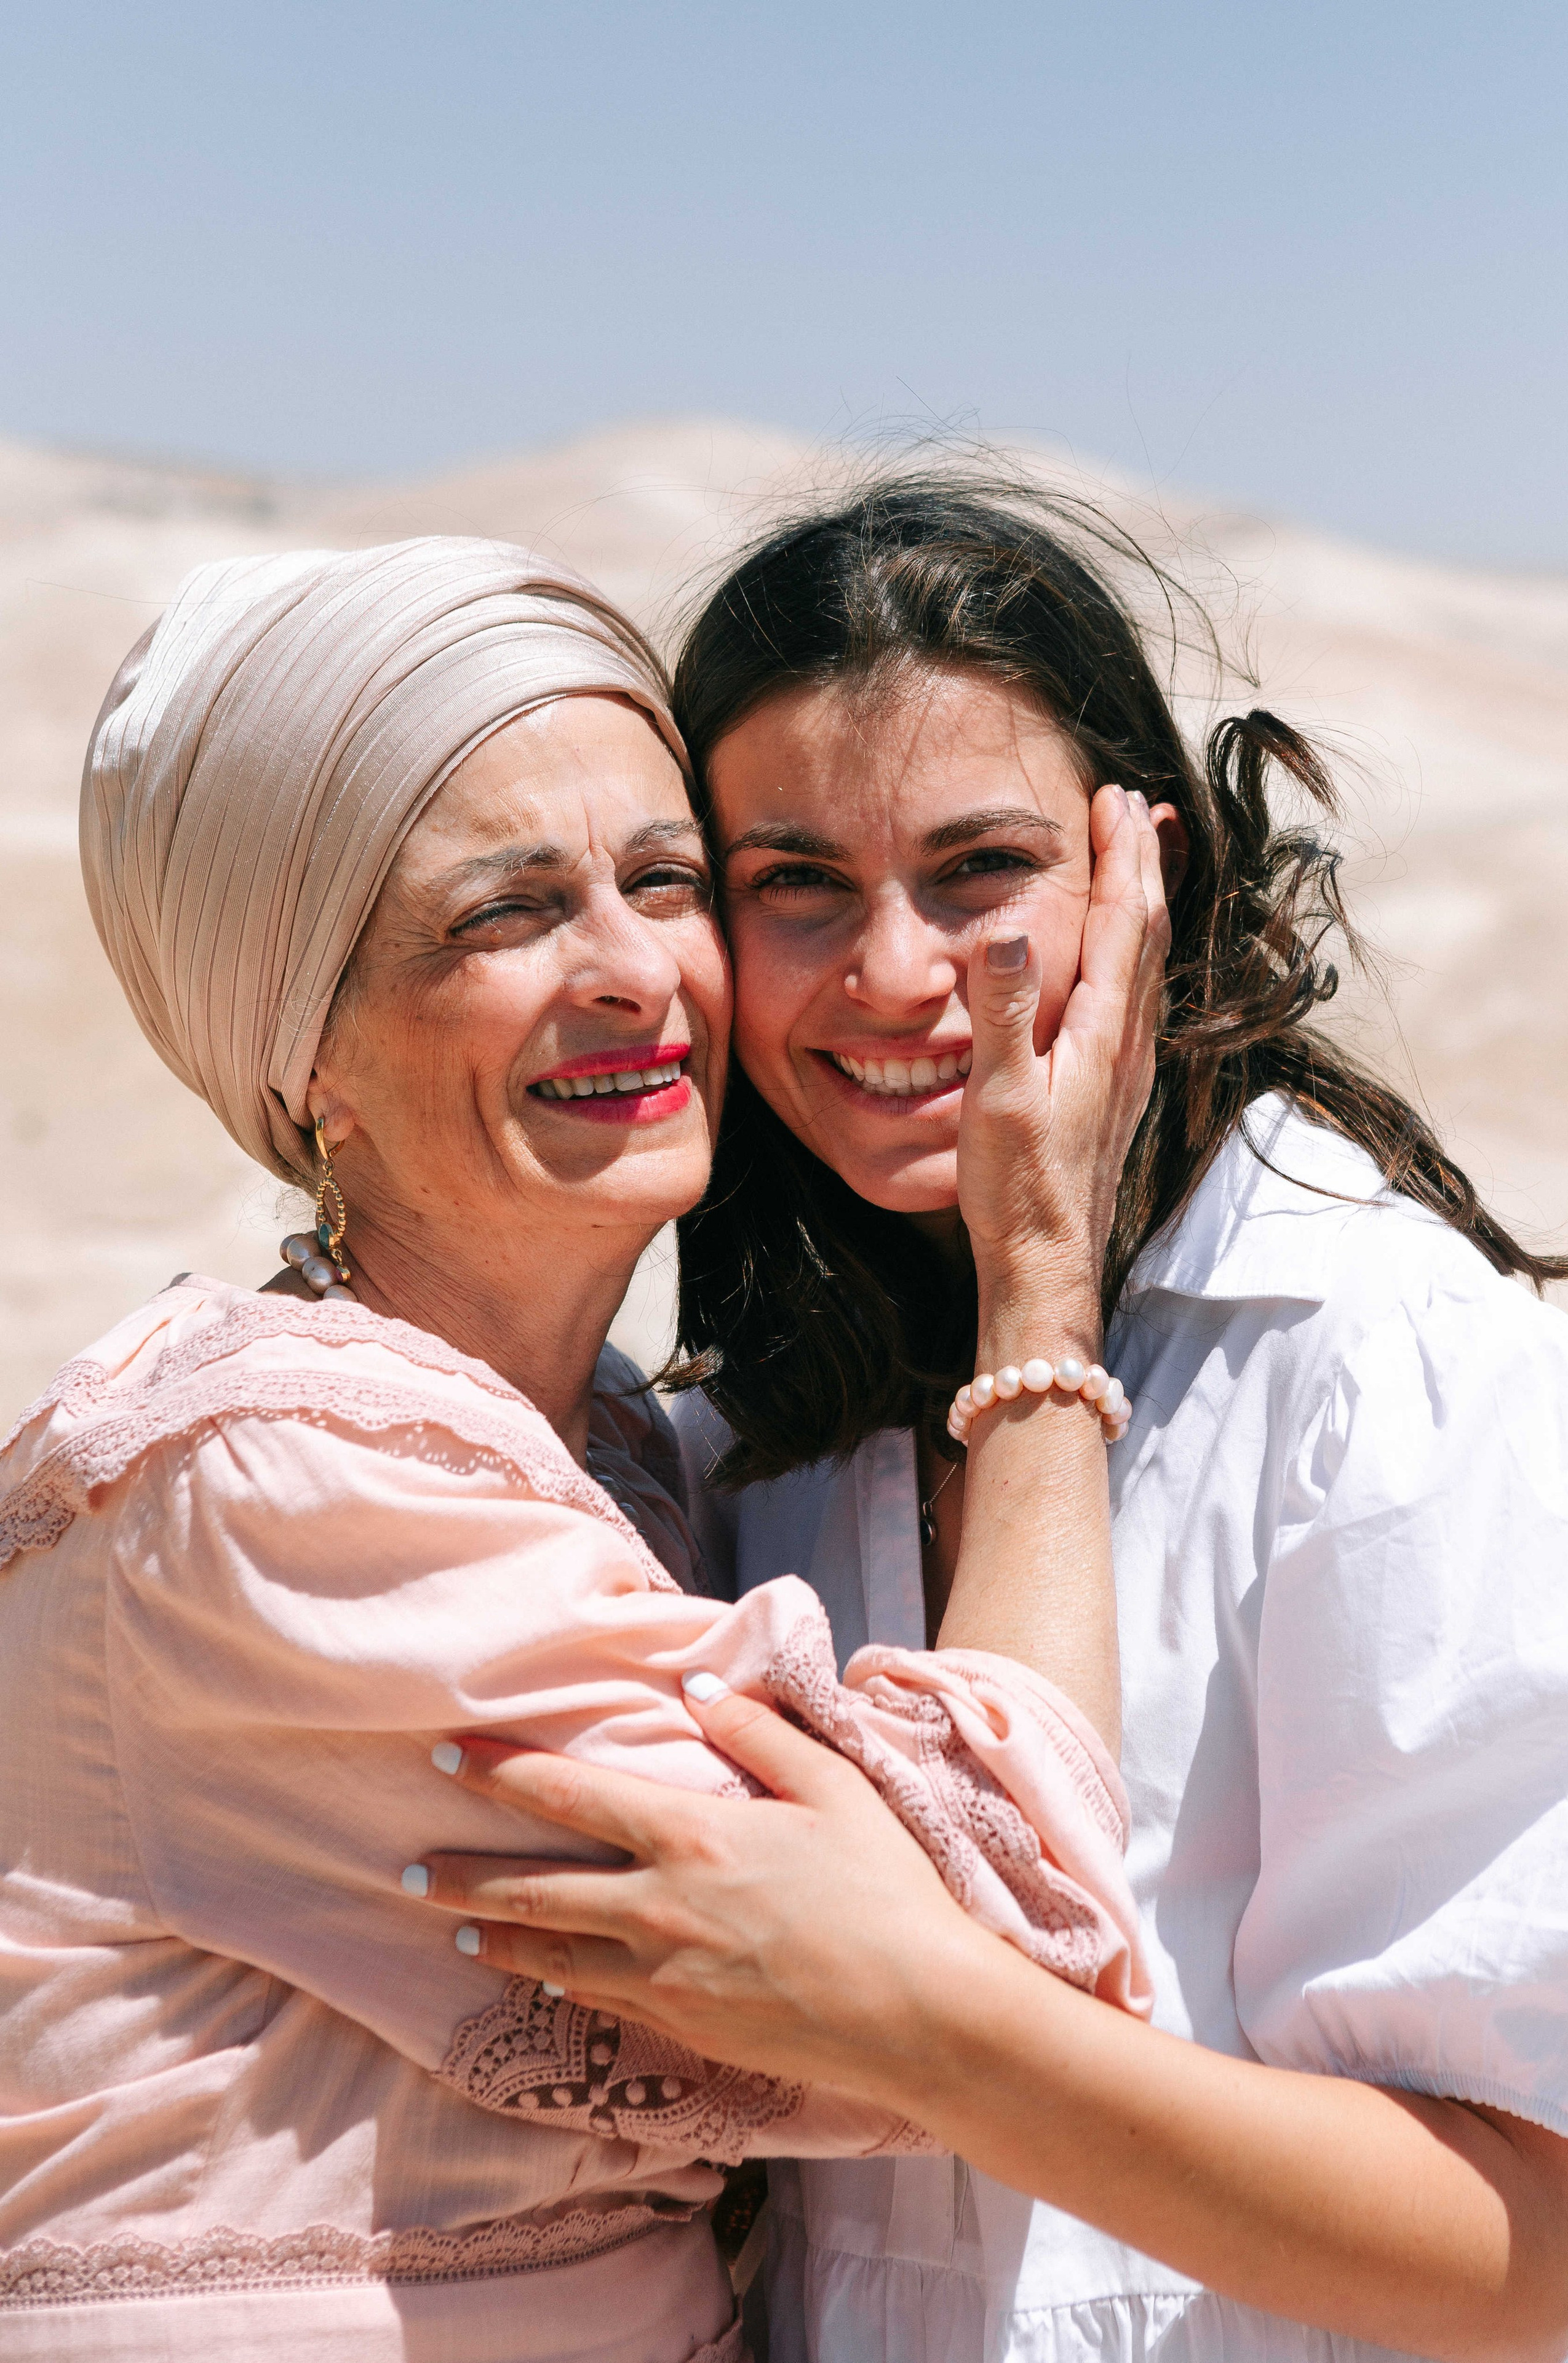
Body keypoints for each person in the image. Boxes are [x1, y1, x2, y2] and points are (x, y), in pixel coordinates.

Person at [419, 479, 1568, 2363]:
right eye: (794, 884)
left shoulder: (1378, 1364)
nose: (891, 976)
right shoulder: (759, 1435)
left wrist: (918, 2016)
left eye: (977, 872)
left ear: (1151, 876)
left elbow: (1529, 2251)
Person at [0, 535, 1160, 2363]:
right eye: (509, 911)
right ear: (309, 1055)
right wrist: (1035, 1291)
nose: (638, 971)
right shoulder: (273, 1484)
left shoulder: (617, 1446)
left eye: (665, 878)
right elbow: (987, 1950)